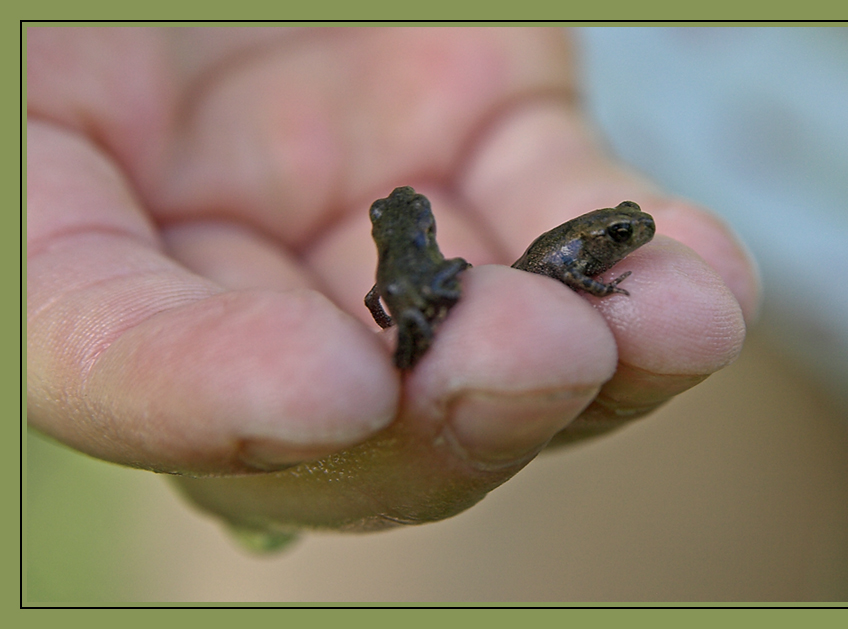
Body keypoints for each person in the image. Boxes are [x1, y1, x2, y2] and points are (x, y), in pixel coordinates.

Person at [27, 27, 760, 535]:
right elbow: (558, 268)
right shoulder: (572, 252)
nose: (632, 238)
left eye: (628, 228)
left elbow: (400, 290)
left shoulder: (574, 245)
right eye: (625, 232)